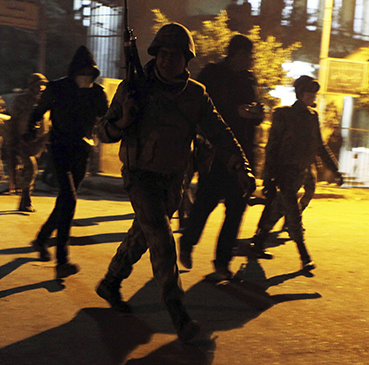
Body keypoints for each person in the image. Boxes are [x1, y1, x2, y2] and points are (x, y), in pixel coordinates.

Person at [95, 23, 255, 342]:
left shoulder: (196, 94)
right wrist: (124, 120)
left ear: (187, 58)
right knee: (163, 240)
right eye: (163, 54)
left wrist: (242, 168)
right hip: (140, 174)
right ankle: (178, 314)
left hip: (174, 178)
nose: (168, 60)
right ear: (155, 54)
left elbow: (220, 133)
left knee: (144, 234)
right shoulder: (134, 87)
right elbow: (102, 132)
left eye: (176, 55)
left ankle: (111, 281)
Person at [179, 34, 264, 281]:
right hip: (215, 152)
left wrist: (256, 113)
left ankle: (222, 262)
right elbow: (201, 107)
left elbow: (256, 110)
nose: (251, 60)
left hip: (242, 153)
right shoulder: (212, 74)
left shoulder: (249, 79)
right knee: (206, 202)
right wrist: (234, 112)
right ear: (235, 54)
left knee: (237, 209)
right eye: (247, 55)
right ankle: (187, 242)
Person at [28, 45, 109, 279]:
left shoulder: (97, 92)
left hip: (83, 150)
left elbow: (107, 117)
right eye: (81, 70)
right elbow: (38, 111)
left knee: (65, 199)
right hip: (60, 148)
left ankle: (42, 238)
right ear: (74, 70)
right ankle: (62, 260)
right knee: (70, 199)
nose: (85, 75)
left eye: (89, 71)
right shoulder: (57, 88)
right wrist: (30, 129)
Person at [250, 75, 343, 271]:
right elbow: (272, 147)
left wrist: (335, 169)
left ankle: (258, 243)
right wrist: (268, 177)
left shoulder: (312, 116)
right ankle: (304, 256)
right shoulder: (283, 114)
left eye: (313, 92)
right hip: (285, 172)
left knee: (278, 209)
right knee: (293, 213)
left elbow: (319, 145)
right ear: (299, 94)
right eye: (308, 92)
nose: (311, 95)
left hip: (303, 171)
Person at [11, 73, 48, 212]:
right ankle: (26, 200)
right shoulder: (22, 100)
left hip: (39, 141)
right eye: (38, 85)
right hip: (24, 139)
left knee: (30, 169)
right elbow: (14, 120)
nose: (41, 88)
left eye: (43, 85)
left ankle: (24, 199)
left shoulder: (45, 99)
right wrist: (14, 140)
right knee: (31, 168)